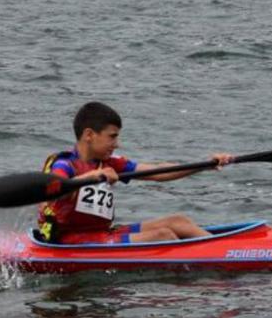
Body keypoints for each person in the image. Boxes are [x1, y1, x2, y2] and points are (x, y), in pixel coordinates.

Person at [37, 101, 234, 245]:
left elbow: (157, 172)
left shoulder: (109, 164)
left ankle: (227, 250)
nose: (117, 143)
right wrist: (94, 177)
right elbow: (55, 190)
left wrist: (204, 165)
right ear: (89, 135)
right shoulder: (63, 164)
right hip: (70, 240)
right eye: (112, 137)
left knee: (178, 222)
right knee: (163, 235)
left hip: (102, 233)